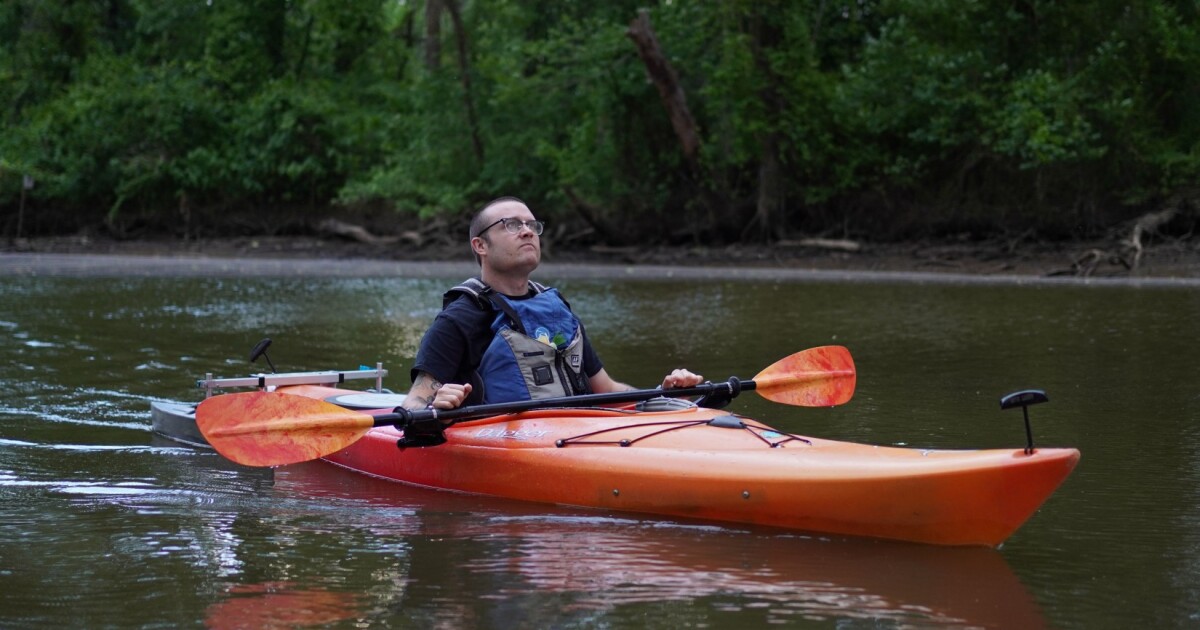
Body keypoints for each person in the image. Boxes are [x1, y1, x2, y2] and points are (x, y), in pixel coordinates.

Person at [403, 196, 704, 412]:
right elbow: (414, 402)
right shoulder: (460, 319)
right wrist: (437, 404)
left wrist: (664, 396)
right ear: (480, 245)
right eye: (510, 225)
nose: (527, 231)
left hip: (576, 435)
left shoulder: (556, 309)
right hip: (501, 441)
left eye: (532, 224)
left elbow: (607, 391)